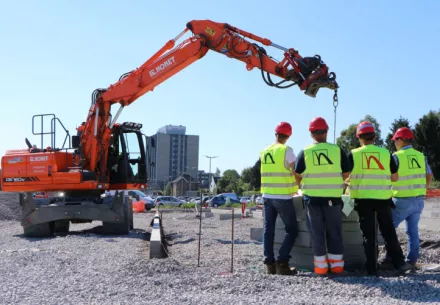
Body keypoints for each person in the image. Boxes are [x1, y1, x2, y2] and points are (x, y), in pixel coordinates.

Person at [346, 122, 413, 275]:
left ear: (359, 137)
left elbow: (346, 175)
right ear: (374, 137)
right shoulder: (385, 153)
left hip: (363, 200)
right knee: (389, 233)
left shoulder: (354, 154)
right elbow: (394, 178)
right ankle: (400, 265)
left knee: (368, 235)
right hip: (383, 199)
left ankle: (371, 268)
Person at [294, 117, 350, 275]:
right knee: (335, 232)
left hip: (312, 201)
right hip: (334, 199)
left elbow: (297, 174)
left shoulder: (305, 152)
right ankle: (337, 267)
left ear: (311, 133)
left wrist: (300, 187)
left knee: (317, 233)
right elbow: (346, 174)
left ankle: (321, 268)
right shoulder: (337, 150)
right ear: (326, 132)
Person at [380, 127, 433, 270]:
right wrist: (425, 188)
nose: (394, 143)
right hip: (418, 200)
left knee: (388, 229)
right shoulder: (420, 156)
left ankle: (390, 259)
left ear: (401, 140)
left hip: (402, 200)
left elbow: (390, 177)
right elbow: (429, 175)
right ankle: (412, 260)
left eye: (395, 140)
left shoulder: (396, 156)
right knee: (412, 232)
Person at [260, 121, 299, 275]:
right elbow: (296, 171)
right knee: (292, 230)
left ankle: (269, 264)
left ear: (275, 134)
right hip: (282, 196)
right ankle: (282, 262)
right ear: (288, 136)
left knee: (268, 230)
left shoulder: (265, 151)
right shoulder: (286, 150)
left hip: (267, 196)